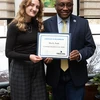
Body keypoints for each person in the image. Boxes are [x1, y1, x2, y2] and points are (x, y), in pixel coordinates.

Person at [43, 0, 96, 100]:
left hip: (76, 76)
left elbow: (90, 46)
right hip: (55, 76)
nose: (65, 8)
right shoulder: (46, 24)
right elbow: (42, 48)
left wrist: (80, 54)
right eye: (62, 5)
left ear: (72, 6)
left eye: (69, 5)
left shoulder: (83, 23)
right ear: (55, 6)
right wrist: (45, 57)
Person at [5, 0, 48, 100]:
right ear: (24, 6)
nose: (34, 9)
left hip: (37, 68)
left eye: (37, 7)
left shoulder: (39, 25)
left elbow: (43, 46)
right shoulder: (14, 26)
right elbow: (8, 52)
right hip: (20, 68)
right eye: (31, 5)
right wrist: (28, 57)